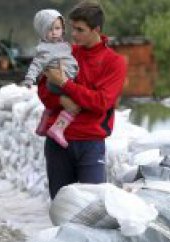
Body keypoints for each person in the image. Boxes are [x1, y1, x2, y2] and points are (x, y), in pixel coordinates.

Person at [38, 0, 127, 199]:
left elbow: (102, 102)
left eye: (80, 30)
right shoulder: (63, 53)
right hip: (57, 143)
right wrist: (62, 101)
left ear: (96, 29)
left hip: (91, 143)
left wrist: (65, 84)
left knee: (92, 206)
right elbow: (44, 91)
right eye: (72, 28)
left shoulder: (114, 62)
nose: (74, 34)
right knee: (61, 205)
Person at [22, 9, 80, 146]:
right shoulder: (45, 49)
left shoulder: (62, 45)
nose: (54, 32)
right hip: (56, 81)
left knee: (59, 105)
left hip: (63, 78)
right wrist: (30, 78)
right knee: (75, 105)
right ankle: (58, 129)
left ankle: (45, 123)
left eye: (57, 28)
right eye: (49, 29)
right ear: (42, 31)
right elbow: (36, 64)